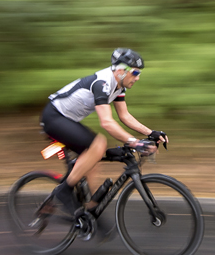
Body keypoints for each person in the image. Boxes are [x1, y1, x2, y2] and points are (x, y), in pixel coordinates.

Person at [41, 48, 167, 215]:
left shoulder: (118, 86)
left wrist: (150, 133)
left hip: (67, 120)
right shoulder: (102, 84)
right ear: (121, 71)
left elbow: (125, 116)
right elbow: (106, 122)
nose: (137, 78)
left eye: (139, 73)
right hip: (54, 117)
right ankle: (64, 191)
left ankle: (89, 210)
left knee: (94, 157)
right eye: (135, 73)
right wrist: (134, 142)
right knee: (98, 144)